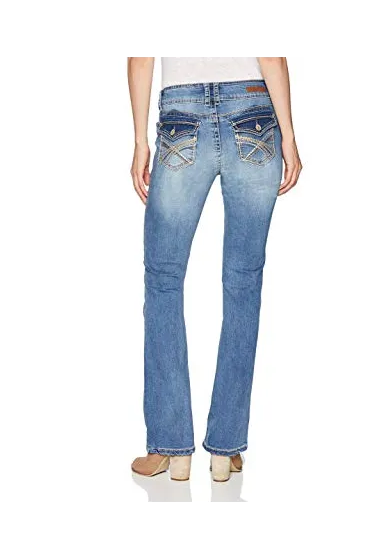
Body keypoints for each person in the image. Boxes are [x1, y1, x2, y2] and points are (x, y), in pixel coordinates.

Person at [128, 54, 302, 482]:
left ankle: (170, 446)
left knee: (164, 280)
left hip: (181, 117)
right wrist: (289, 136)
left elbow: (140, 58)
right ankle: (226, 447)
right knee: (243, 282)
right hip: (254, 114)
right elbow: (271, 56)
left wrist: (139, 142)